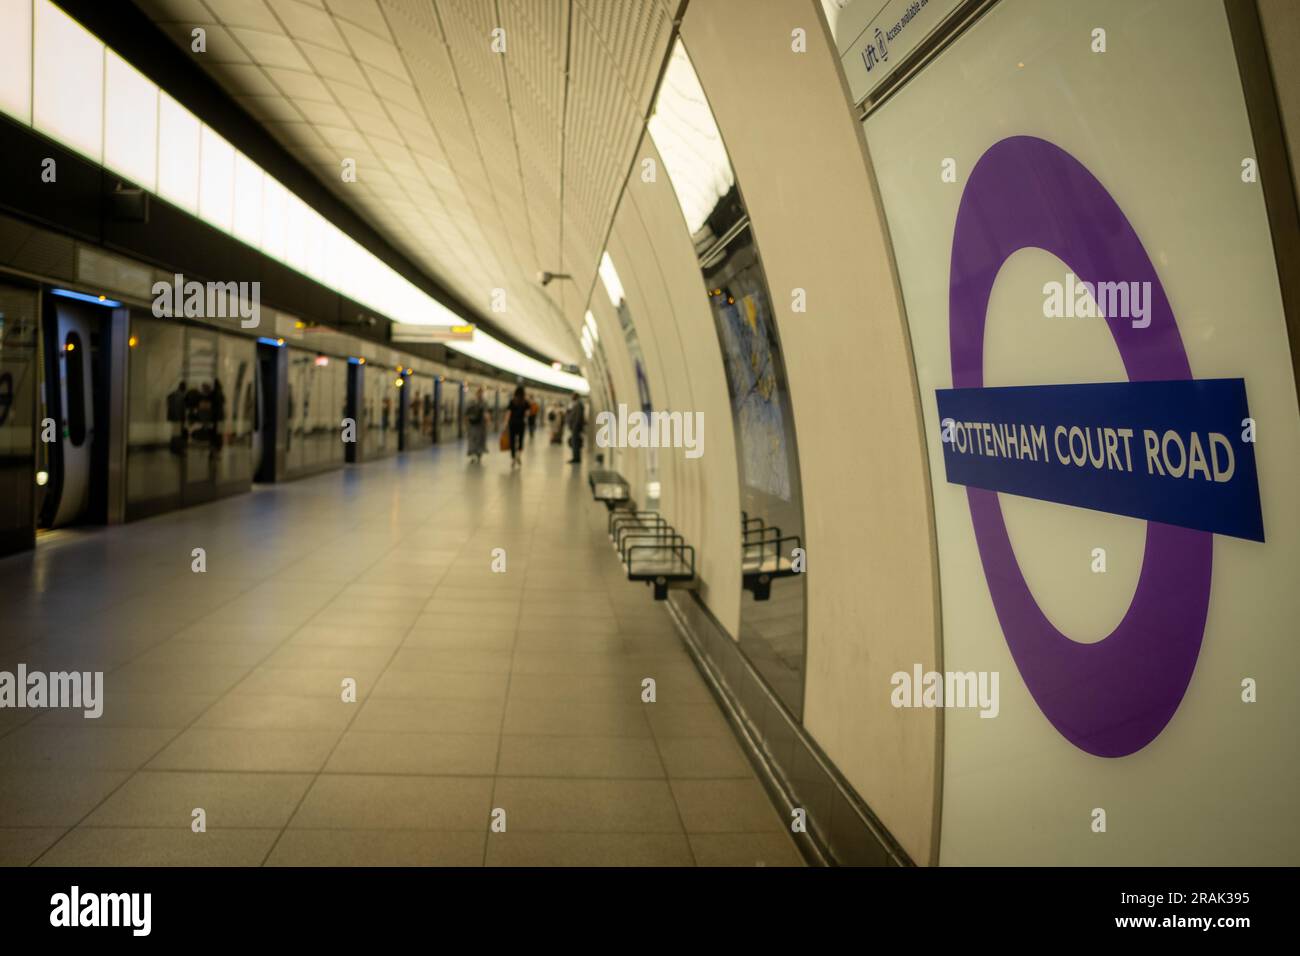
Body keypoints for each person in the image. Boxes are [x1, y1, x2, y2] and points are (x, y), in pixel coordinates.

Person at [504, 385, 529, 468]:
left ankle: (513, 458)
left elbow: (508, 413)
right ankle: (519, 455)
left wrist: (506, 423)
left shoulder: (512, 401)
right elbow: (527, 414)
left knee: (512, 440)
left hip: (512, 423)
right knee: (521, 440)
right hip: (521, 424)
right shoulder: (525, 402)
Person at [465, 386, 489, 464]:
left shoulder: (483, 402)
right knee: (472, 439)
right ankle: (473, 454)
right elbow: (466, 412)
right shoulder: (472, 402)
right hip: (472, 424)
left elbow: (486, 413)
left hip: (480, 424)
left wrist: (487, 421)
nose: (480, 394)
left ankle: (478, 454)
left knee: (479, 439)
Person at [566, 393, 586, 464]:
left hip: (576, 427)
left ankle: (576, 458)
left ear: (576, 396)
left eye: (572, 396)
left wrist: (574, 426)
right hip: (575, 427)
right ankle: (575, 457)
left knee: (575, 443)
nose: (571, 397)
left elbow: (578, 417)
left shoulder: (578, 405)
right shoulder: (577, 404)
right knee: (575, 442)